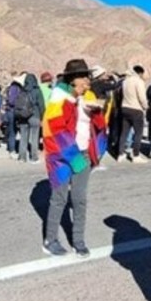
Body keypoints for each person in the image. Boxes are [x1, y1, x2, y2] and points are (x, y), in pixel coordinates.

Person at [41, 59, 107, 258]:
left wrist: (96, 113)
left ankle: (78, 240)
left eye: (88, 76)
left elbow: (98, 125)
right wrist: (75, 158)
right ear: (72, 80)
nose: (87, 80)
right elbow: (54, 132)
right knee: (59, 199)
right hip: (60, 158)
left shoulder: (88, 96)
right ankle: (50, 240)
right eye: (83, 76)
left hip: (84, 153)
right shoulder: (59, 100)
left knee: (79, 199)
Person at [119, 65, 149, 163]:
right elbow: (142, 97)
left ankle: (120, 154)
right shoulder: (139, 82)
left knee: (124, 132)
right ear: (140, 73)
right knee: (138, 133)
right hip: (136, 109)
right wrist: (146, 107)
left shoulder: (125, 81)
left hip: (125, 107)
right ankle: (136, 155)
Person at [18, 73, 46, 163]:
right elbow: (41, 105)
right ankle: (34, 157)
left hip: (23, 116)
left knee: (23, 137)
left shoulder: (22, 90)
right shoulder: (37, 90)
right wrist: (43, 117)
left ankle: (22, 157)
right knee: (34, 137)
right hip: (35, 116)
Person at [4, 73, 26, 159]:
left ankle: (13, 148)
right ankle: (12, 150)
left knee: (12, 130)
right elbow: (12, 101)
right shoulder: (15, 88)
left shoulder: (12, 87)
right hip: (13, 110)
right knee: (13, 131)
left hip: (12, 110)